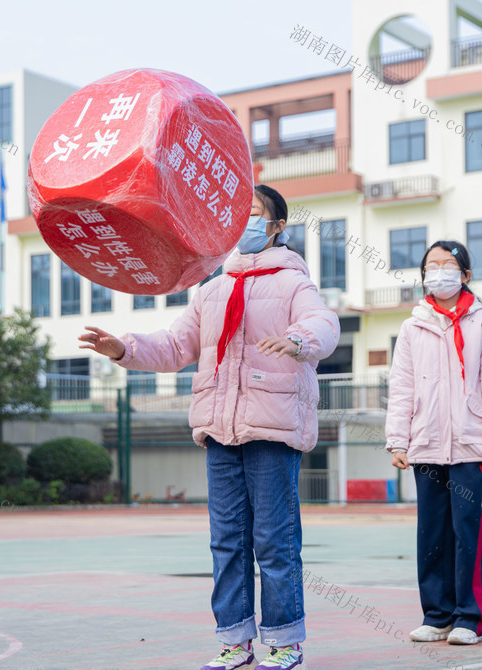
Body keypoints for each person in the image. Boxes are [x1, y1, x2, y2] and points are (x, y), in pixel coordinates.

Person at [79, 185, 339, 670]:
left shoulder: (294, 283)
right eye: (239, 216)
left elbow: (324, 323)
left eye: (256, 215)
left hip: (272, 430)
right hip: (220, 431)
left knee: (274, 541)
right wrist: (124, 348)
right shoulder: (213, 289)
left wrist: (299, 339)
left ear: (278, 226)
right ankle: (234, 642)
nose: (246, 224)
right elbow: (177, 345)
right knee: (226, 540)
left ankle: (285, 642)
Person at [385, 241, 482, 646]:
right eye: (431, 265)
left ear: (466, 276)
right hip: (425, 444)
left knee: (468, 533)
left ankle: (468, 618)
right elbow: (401, 386)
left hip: (471, 446)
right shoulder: (412, 326)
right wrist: (397, 440)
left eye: (449, 265)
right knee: (431, 535)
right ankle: (436, 614)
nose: (439, 271)